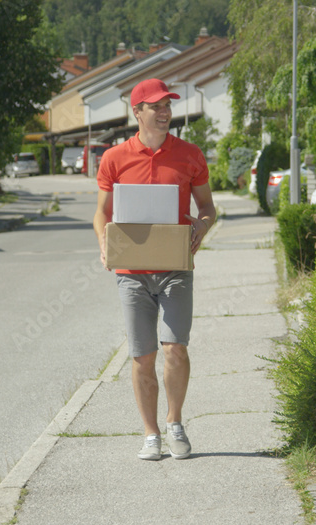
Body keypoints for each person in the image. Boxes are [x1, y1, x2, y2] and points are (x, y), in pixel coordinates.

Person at [92, 78, 216, 461]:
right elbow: (101, 212)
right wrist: (102, 240)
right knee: (143, 355)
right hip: (131, 272)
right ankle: (150, 434)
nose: (165, 113)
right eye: (156, 107)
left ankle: (175, 423)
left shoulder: (190, 155)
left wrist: (202, 225)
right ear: (138, 112)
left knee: (175, 348)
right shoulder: (114, 158)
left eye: (168, 106)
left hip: (175, 267)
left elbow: (208, 208)